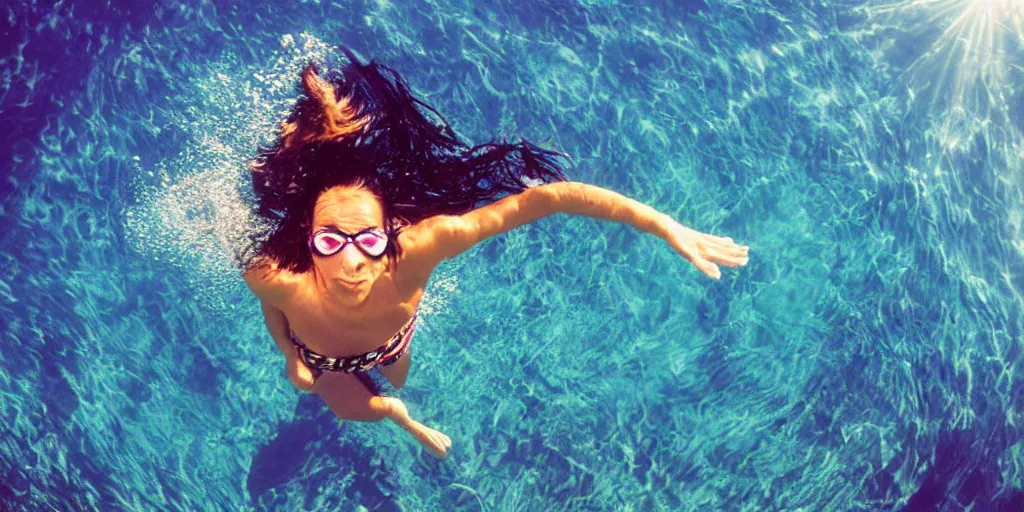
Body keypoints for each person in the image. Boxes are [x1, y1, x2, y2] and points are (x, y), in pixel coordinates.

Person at [240, 48, 749, 459]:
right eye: (330, 241)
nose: (350, 262)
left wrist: (664, 225)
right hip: (320, 356)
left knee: (395, 376)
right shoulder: (276, 275)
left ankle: (393, 400)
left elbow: (550, 198)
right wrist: (290, 355)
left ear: (391, 234)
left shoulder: (421, 248)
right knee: (350, 404)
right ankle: (402, 418)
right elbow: (274, 305)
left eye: (368, 240)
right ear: (307, 241)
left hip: (392, 344)